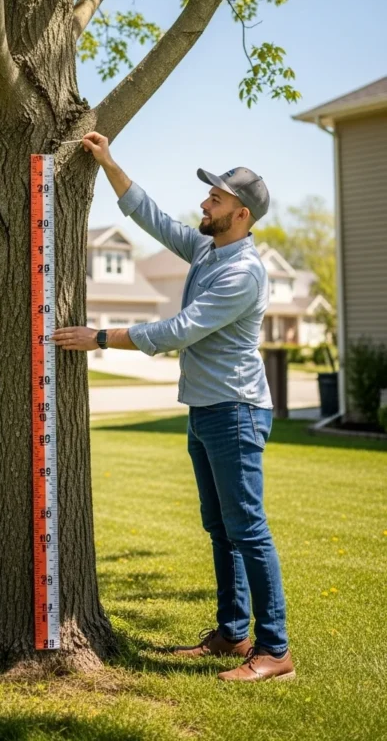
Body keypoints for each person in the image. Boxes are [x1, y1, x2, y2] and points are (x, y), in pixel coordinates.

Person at [52, 132, 295, 683]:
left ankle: (274, 651)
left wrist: (103, 337)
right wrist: (110, 164)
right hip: (208, 409)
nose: (204, 203)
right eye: (208, 195)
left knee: (248, 529)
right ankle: (234, 633)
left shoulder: (243, 272)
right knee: (220, 528)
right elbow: (154, 219)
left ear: (241, 213)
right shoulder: (210, 248)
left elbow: (180, 330)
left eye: (214, 198)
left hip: (235, 411)